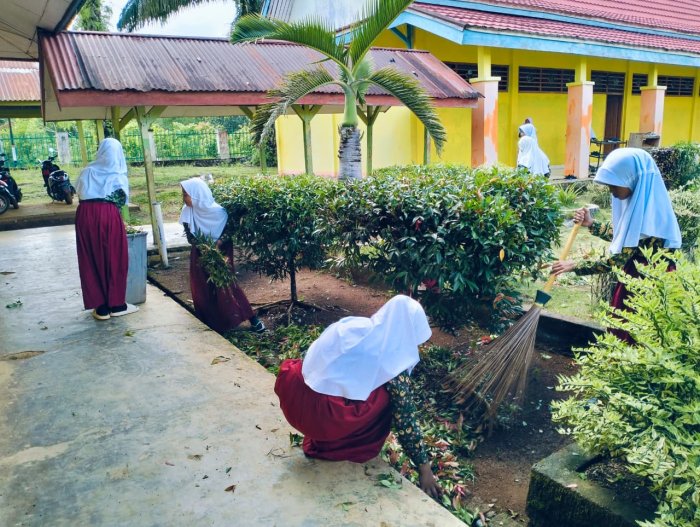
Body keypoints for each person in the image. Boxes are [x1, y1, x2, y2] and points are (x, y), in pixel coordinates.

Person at [274, 295, 443, 499]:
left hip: (295, 399)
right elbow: (405, 419)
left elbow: (315, 358)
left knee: (365, 388)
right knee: (390, 398)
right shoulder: (393, 367)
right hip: (321, 420)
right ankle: (344, 446)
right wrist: (425, 470)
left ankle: (326, 440)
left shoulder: (351, 326)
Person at [551, 148, 681, 342]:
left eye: (614, 185)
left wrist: (574, 265)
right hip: (635, 277)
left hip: (647, 286)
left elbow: (615, 262)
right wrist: (592, 224)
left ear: (632, 179)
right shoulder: (644, 206)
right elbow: (627, 236)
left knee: (636, 336)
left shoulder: (652, 217)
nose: (611, 190)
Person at [179, 177, 265, 334]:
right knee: (202, 285)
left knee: (226, 284)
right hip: (200, 253)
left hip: (222, 252)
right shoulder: (187, 212)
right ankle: (212, 322)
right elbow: (190, 237)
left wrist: (218, 243)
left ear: (197, 195)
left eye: (186, 195)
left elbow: (229, 230)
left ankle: (252, 319)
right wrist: (205, 247)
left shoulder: (218, 212)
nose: (183, 198)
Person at [75, 138, 138, 321]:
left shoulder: (87, 171)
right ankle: (117, 305)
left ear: (100, 151)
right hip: (108, 214)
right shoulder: (118, 174)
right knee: (115, 256)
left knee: (90, 256)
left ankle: (101, 307)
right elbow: (121, 201)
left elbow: (78, 190)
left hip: (85, 214)